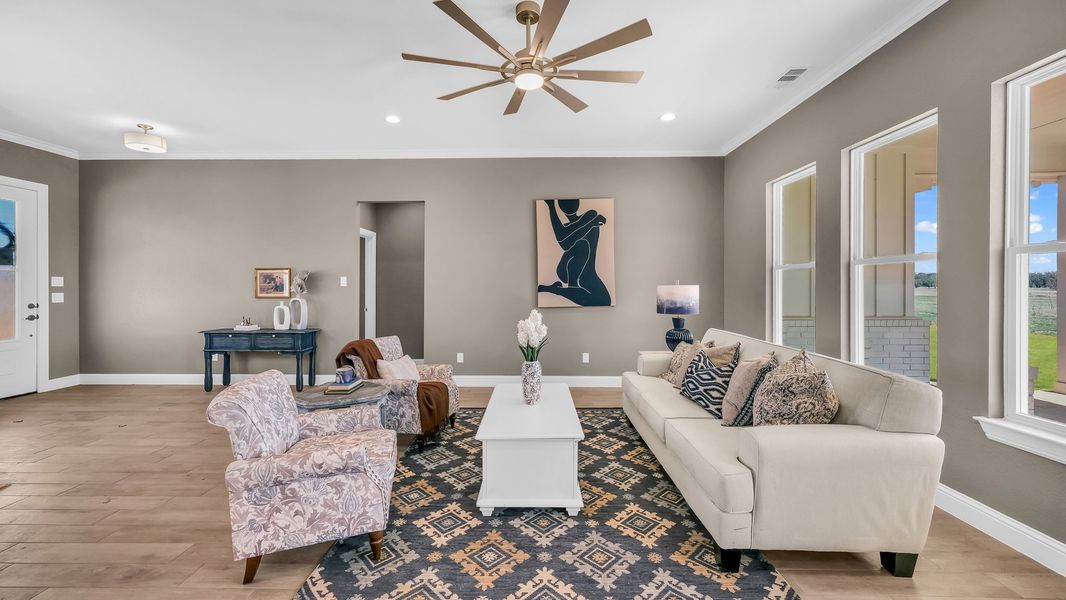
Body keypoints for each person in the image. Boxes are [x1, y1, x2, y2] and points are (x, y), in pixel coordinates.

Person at [538, 199, 611, 306]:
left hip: (589, 274)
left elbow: (564, 238)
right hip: (567, 269)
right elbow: (564, 243)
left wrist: (552, 206)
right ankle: (572, 285)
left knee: (605, 301)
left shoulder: (590, 215)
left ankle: (556, 289)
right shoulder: (582, 224)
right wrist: (551, 206)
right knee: (582, 245)